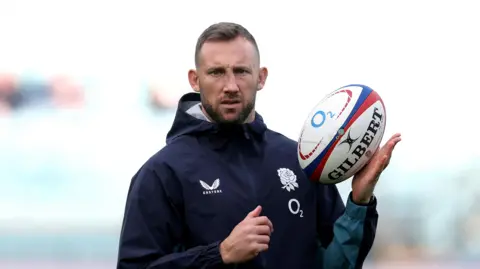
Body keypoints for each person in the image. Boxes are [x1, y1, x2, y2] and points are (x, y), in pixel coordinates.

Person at [116, 22, 401, 269]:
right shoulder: (162, 173)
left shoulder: (299, 161)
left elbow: (337, 263)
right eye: (216, 72)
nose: (230, 85)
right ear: (195, 79)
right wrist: (220, 254)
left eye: (241, 71)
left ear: (261, 77)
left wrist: (359, 203)